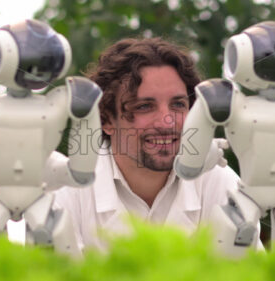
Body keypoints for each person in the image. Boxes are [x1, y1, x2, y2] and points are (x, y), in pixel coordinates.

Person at [54, 37, 259, 252]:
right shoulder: (67, 190)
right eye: (144, 106)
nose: (166, 121)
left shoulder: (218, 181)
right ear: (105, 120)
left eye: (178, 104)